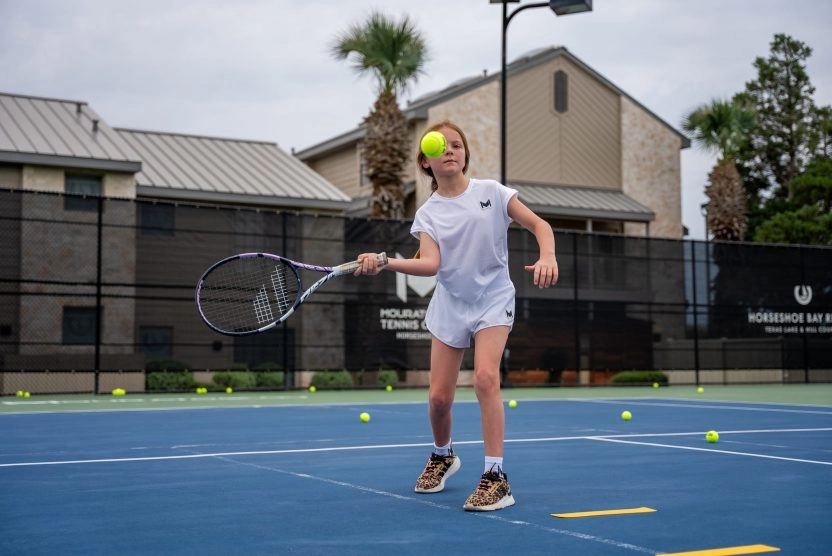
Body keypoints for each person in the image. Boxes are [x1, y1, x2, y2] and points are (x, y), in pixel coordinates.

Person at [355, 120, 558, 511]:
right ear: (426, 162)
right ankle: (442, 454)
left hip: (493, 297)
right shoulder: (428, 213)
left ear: (465, 155)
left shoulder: (493, 193)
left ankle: (496, 477)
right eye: (439, 146)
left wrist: (547, 254)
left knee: (485, 378)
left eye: (457, 145)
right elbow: (431, 265)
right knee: (438, 399)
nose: (450, 150)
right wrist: (385, 261)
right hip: (451, 302)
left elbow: (539, 225)